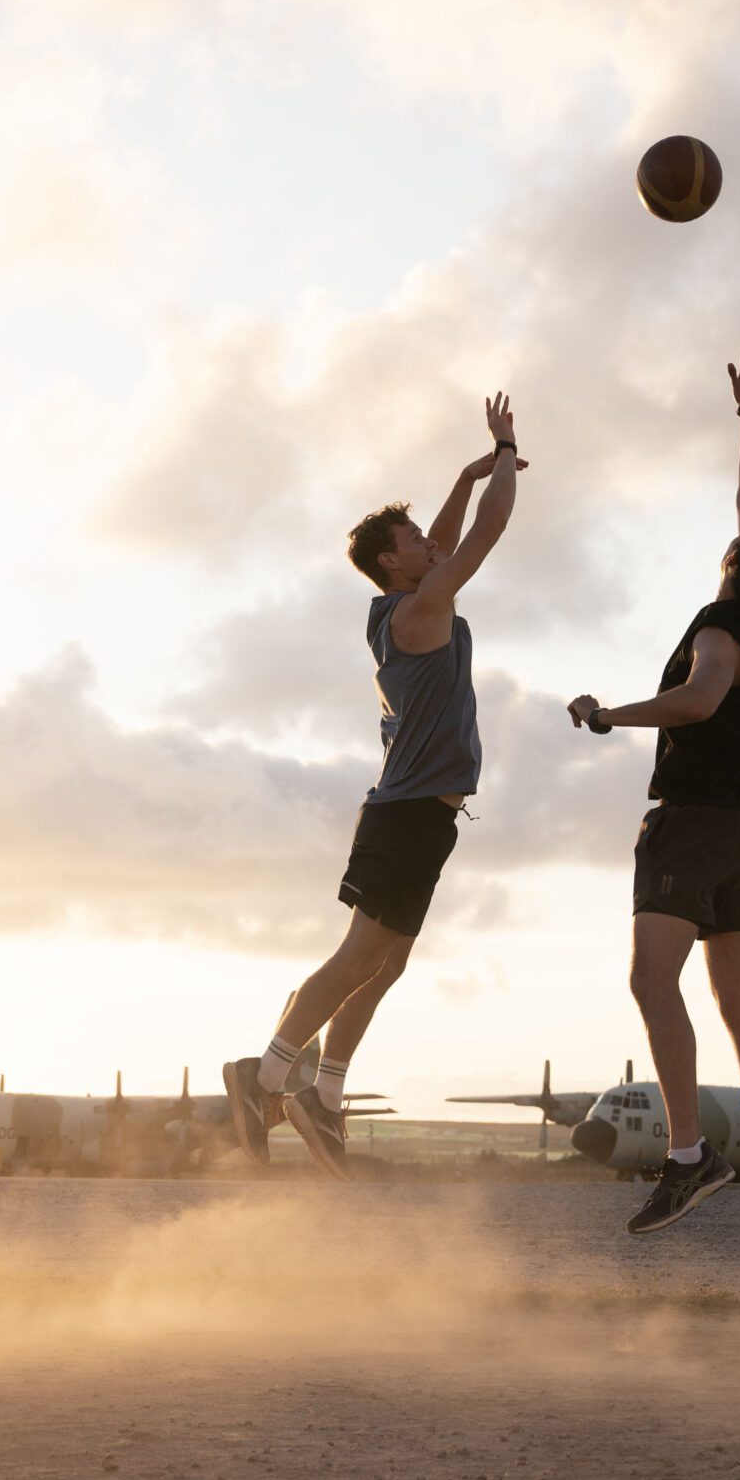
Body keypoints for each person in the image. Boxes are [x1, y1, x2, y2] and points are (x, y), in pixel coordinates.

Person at [223, 394, 523, 1180]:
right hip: (404, 815)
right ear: (395, 562)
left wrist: (460, 480)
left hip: (427, 817)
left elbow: (454, 535)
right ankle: (260, 1078)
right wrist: (501, 452)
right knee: (360, 956)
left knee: (385, 963)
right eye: (415, 539)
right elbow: (486, 534)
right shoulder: (420, 611)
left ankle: (322, 1092)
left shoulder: (415, 598)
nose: (430, 543)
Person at [565, 341, 740, 1248]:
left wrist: (610, 714)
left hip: (697, 822)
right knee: (735, 1001)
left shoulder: (721, 628)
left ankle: (688, 1156)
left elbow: (702, 696)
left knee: (648, 978)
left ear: (734, 562)